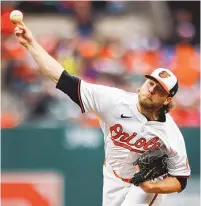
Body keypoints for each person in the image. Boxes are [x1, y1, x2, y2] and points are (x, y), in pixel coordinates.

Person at [14, 23, 190, 206]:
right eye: (151, 83)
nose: (152, 89)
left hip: (145, 186)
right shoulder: (114, 101)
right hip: (113, 176)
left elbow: (180, 180)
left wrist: (151, 187)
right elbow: (62, 79)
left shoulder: (170, 133)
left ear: (168, 100)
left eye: (160, 89)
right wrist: (30, 44)